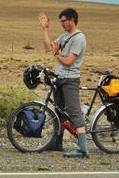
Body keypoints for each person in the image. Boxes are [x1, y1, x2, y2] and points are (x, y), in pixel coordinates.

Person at [38, 8, 89, 158]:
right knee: (59, 111)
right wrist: (45, 30)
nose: (61, 24)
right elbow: (49, 48)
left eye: (63, 20)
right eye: (60, 21)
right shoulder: (65, 36)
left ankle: (83, 149)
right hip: (60, 78)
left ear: (72, 20)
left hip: (70, 80)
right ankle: (57, 143)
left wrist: (56, 53)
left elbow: (68, 61)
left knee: (74, 113)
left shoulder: (78, 38)